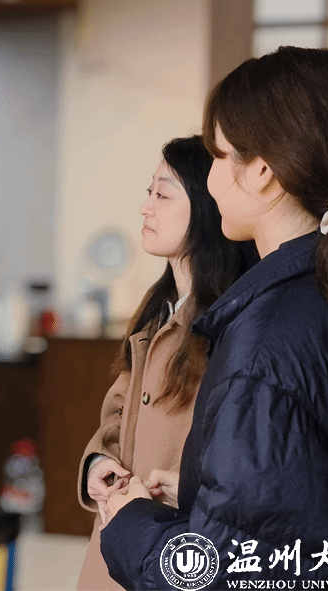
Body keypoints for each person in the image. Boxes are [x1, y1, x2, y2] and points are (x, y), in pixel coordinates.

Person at [100, 46, 328, 588]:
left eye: (218, 155)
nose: (211, 178)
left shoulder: (268, 338)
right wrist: (207, 498)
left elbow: (233, 573)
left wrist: (130, 523)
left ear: (262, 171)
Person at [76, 135, 257, 590]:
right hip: (120, 533)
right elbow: (118, 412)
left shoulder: (230, 323)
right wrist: (98, 462)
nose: (146, 207)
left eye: (162, 194)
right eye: (148, 192)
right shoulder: (156, 310)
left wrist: (189, 488)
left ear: (205, 207)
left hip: (175, 546)